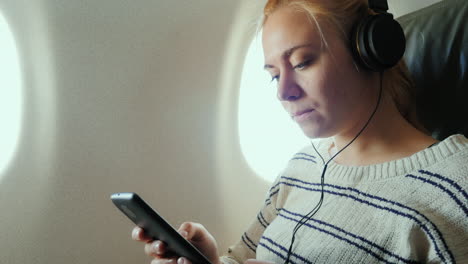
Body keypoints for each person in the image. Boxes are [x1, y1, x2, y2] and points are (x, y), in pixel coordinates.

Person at [132, 0, 468, 263]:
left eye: (302, 62)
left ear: (372, 51)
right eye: (274, 74)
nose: (284, 92)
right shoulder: (301, 168)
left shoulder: (455, 183)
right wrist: (211, 260)